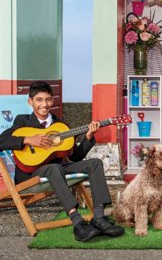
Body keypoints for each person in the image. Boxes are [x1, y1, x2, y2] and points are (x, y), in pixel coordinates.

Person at [0, 81, 124, 242]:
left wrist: (88, 137)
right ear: (30, 101)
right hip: (31, 173)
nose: (44, 104)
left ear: (52, 100)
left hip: (58, 169)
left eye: (48, 99)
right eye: (39, 100)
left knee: (94, 163)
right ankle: (78, 222)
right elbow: (2, 140)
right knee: (54, 168)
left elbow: (75, 157)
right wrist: (28, 139)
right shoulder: (22, 121)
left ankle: (99, 218)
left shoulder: (61, 126)